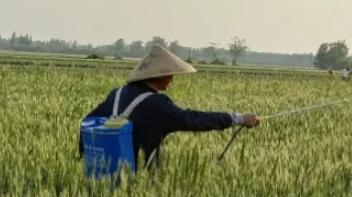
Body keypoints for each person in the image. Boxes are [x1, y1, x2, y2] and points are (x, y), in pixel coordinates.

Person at [79, 44, 259, 169]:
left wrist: (85, 156)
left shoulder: (116, 93)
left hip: (102, 169)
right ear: (159, 76)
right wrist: (239, 118)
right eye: (170, 74)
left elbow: (88, 123)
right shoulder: (157, 104)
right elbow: (194, 120)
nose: (172, 79)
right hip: (138, 176)